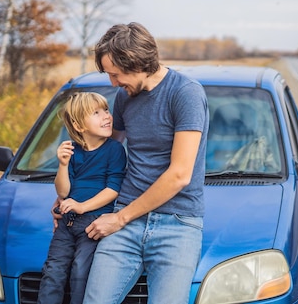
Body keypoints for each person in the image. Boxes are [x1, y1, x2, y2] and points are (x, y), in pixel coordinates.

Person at [82, 22, 209, 304]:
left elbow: (179, 175)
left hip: (178, 223)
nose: (113, 83)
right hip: (125, 220)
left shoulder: (185, 94)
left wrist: (119, 218)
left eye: (116, 74)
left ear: (138, 62)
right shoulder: (124, 97)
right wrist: (71, 200)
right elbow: (105, 155)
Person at [37, 92, 127, 304]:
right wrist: (62, 164)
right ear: (78, 126)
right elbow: (63, 193)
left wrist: (82, 207)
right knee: (53, 271)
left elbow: (113, 189)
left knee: (80, 271)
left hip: (93, 224)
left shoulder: (114, 150)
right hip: (67, 224)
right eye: (96, 113)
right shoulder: (71, 150)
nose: (106, 116)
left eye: (106, 110)